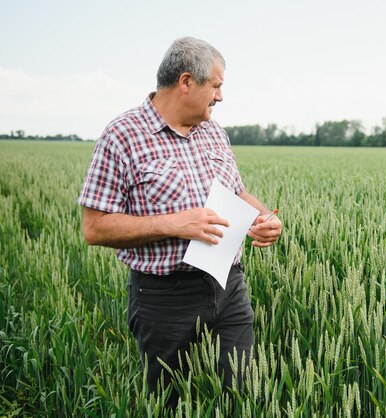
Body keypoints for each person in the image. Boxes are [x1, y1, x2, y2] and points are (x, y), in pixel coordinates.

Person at [77, 37, 282, 403]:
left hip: (229, 287)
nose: (220, 97)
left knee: (242, 394)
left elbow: (237, 192)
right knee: (170, 403)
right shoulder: (122, 136)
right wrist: (174, 223)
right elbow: (94, 228)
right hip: (164, 297)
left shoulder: (214, 133)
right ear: (186, 81)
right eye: (216, 86)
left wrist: (263, 216)